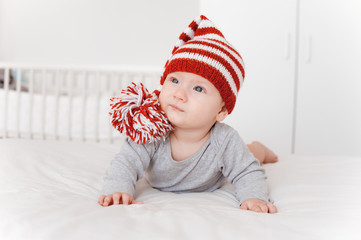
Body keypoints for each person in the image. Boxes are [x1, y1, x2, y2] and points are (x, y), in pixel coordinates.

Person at [99, 15, 278, 213]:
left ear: (221, 110)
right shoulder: (152, 129)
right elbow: (126, 163)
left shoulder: (225, 140)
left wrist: (254, 197)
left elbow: (247, 172)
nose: (179, 94)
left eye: (198, 89)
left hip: (214, 180)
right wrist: (117, 189)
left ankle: (259, 148)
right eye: (174, 81)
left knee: (250, 156)